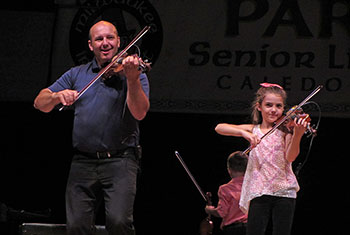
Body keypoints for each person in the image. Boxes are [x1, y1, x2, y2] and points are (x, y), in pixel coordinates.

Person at [33, 20, 150, 235]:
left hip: (120, 159)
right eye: (99, 39)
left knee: (119, 222)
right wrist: (58, 96)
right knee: (76, 225)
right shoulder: (78, 74)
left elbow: (140, 112)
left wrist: (132, 80)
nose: (105, 43)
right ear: (90, 45)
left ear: (118, 42)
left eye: (110, 38)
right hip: (83, 161)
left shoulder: (133, 73)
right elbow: (40, 102)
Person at [215, 83, 309, 235]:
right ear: (259, 106)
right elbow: (219, 127)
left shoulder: (286, 130)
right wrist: (244, 133)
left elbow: (290, 157)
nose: (274, 110)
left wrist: (297, 134)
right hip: (260, 190)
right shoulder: (254, 129)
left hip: (284, 190)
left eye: (278, 106)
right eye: (269, 105)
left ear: (283, 108)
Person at [205, 151, 248, 235]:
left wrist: (209, 210)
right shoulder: (252, 186)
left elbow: (221, 212)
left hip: (233, 230)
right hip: (251, 229)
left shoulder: (225, 189)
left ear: (229, 169)